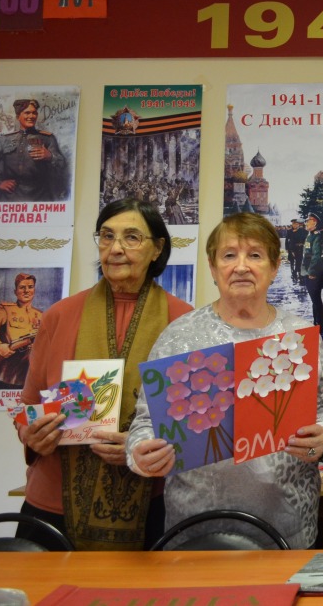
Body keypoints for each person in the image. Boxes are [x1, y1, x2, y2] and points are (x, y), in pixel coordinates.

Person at [128, 212, 323, 549]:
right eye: (229, 255)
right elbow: (145, 422)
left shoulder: (299, 337)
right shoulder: (179, 337)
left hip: (288, 528)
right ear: (213, 268)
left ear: (275, 266)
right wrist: (140, 452)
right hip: (196, 531)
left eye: (255, 255)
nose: (241, 266)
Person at [14, 198, 192, 549]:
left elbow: (196, 427)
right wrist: (30, 434)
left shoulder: (184, 322)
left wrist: (141, 445)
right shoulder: (59, 316)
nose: (116, 248)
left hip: (151, 506)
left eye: (131, 237)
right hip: (52, 504)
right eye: (107, 236)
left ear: (157, 248)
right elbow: (28, 406)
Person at [0, 98, 69, 202]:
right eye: (27, 113)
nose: (31, 116)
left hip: (40, 195)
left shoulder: (47, 138)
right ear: (18, 116)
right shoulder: (5, 139)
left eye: (34, 113)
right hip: (10, 196)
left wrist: (50, 156)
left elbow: (62, 164)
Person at [0, 272, 42, 390]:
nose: (26, 291)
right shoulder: (5, 309)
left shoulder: (41, 315)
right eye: (22, 287)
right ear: (15, 291)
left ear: (34, 290)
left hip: (27, 379)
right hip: (1, 377)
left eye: (30, 287)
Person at [301, 213, 323, 323]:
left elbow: (316, 256)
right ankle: (316, 322)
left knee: (316, 299)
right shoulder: (310, 235)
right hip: (307, 271)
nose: (305, 223)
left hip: (312, 272)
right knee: (314, 300)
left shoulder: (317, 236)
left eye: (308, 221)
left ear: (314, 222)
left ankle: (319, 323)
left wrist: (312, 272)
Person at [285, 218, 306, 283]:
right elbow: (287, 240)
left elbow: (305, 239)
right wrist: (287, 249)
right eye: (293, 224)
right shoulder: (289, 231)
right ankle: (293, 273)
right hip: (291, 248)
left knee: (299, 261)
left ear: (298, 224)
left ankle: (299, 273)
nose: (295, 225)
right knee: (292, 261)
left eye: (296, 224)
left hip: (299, 248)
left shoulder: (302, 231)